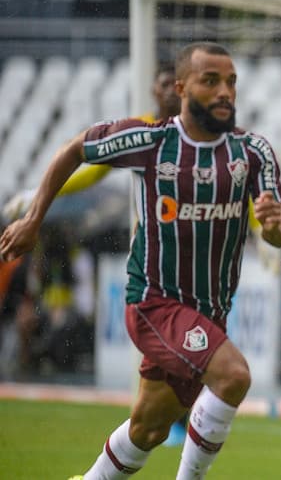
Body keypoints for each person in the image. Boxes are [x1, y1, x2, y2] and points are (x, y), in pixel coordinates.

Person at [0, 41, 281, 479]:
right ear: (181, 88)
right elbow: (74, 149)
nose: (224, 91)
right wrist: (34, 218)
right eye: (210, 81)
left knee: (149, 427)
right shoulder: (152, 141)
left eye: (230, 81)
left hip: (210, 312)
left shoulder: (253, 153)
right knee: (233, 376)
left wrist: (273, 227)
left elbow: (279, 232)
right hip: (155, 302)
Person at [1, 61, 191, 446]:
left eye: (177, 83)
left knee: (195, 358)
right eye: (163, 82)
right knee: (193, 356)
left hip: (201, 258)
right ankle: (167, 423)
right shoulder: (142, 132)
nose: (170, 89)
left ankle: (167, 422)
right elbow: (87, 164)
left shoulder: (209, 139)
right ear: (155, 91)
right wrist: (35, 201)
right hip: (154, 260)